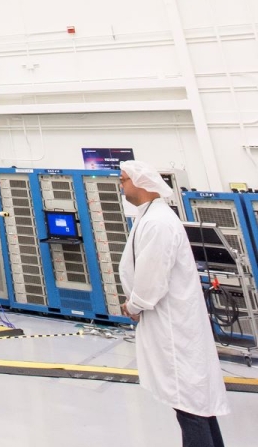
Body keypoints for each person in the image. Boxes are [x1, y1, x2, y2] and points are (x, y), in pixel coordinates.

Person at [118, 160, 229, 447]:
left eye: (124, 179)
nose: (120, 184)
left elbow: (152, 278)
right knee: (193, 404)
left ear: (141, 183)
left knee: (189, 404)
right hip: (168, 323)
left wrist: (134, 305)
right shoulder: (149, 217)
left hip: (172, 327)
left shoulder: (157, 223)